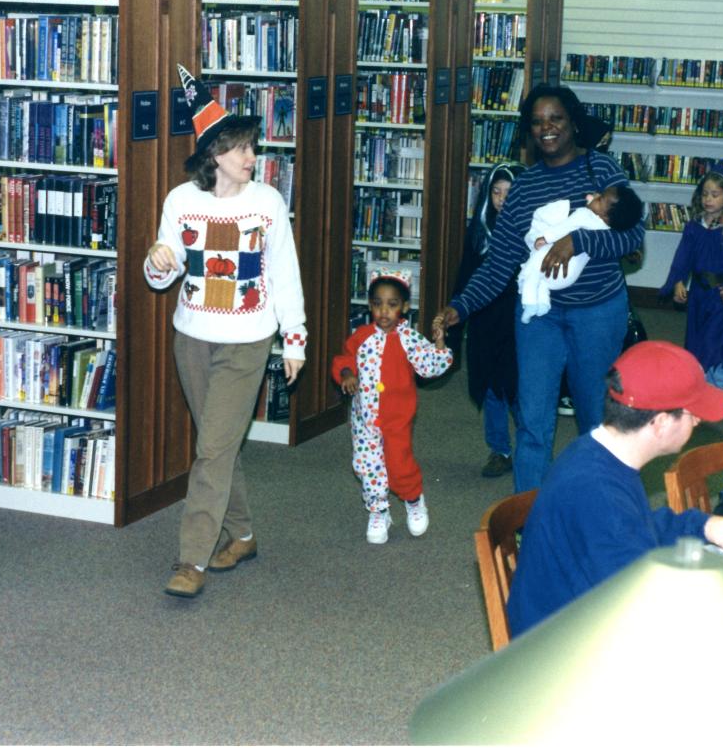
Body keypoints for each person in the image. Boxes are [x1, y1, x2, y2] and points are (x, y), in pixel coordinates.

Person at [145, 63, 306, 598]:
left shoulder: (266, 204)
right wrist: (159, 260)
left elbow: (284, 269)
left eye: (253, 147)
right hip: (191, 337)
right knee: (220, 444)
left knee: (213, 448)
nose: (252, 158)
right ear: (214, 156)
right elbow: (162, 274)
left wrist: (295, 336)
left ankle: (191, 559)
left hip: (248, 339)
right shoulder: (180, 201)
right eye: (241, 149)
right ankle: (242, 533)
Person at [435, 85, 643, 493]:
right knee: (532, 421)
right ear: (529, 131)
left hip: (598, 313)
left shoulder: (601, 170)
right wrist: (459, 307)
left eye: (556, 119)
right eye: (537, 121)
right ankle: (528, 519)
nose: (547, 128)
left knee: (594, 420)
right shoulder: (525, 189)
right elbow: (499, 266)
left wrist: (578, 241)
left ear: (572, 123)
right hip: (539, 316)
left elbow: (633, 239)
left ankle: (594, 510)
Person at [506, 340, 723, 637]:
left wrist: (705, 525)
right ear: (661, 423)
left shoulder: (596, 452)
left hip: (581, 622)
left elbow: (635, 529)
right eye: (692, 412)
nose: (698, 420)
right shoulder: (598, 493)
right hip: (566, 654)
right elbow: (649, 614)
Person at [331, 269, 453, 544]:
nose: (384, 311)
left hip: (397, 417)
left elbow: (430, 366)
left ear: (405, 307)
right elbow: (343, 358)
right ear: (370, 305)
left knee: (399, 464)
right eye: (378, 303)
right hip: (365, 419)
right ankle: (378, 510)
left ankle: (413, 499)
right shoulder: (361, 336)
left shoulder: (408, 338)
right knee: (367, 464)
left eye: (392, 304)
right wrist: (347, 374)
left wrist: (439, 342)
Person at [453, 163, 526, 478]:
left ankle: (529, 447)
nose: (501, 200)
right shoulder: (480, 227)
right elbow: (467, 275)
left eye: (509, 194)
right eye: (496, 193)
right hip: (485, 319)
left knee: (519, 388)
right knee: (491, 387)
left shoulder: (531, 229)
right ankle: (500, 449)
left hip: (518, 320)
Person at [659, 151, 723, 387]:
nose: (708, 199)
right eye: (705, 194)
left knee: (714, 338)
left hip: (722, 294)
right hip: (699, 294)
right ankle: (695, 377)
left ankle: (716, 381)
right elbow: (683, 257)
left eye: (715, 195)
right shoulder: (693, 226)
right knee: (696, 336)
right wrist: (679, 281)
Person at [517, 184, 644, 323]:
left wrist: (545, 238)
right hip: (568, 277)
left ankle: (529, 302)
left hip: (554, 266)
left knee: (531, 270)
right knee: (543, 282)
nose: (594, 196)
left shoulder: (583, 214)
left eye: (600, 199)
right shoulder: (607, 227)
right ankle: (543, 303)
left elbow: (563, 228)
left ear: (606, 215)